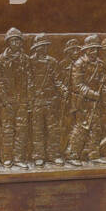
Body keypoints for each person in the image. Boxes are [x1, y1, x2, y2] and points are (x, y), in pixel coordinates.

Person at [0, 27, 31, 167]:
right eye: (13, 41)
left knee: (22, 130)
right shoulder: (0, 60)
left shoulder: (25, 59)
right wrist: (5, 100)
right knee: (7, 130)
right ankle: (7, 157)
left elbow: (30, 81)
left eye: (18, 41)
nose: (16, 43)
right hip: (7, 102)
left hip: (22, 101)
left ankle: (19, 158)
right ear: (8, 42)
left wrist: (27, 99)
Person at [27, 34, 68, 166]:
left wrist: (63, 89)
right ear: (36, 48)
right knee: (38, 130)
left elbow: (57, 80)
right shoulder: (30, 62)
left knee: (53, 129)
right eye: (41, 46)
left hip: (51, 101)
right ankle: (38, 155)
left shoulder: (53, 62)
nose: (43, 49)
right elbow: (27, 81)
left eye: (45, 46)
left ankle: (54, 154)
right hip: (37, 101)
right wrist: (31, 95)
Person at [65, 34, 104, 165]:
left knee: (96, 128)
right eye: (92, 49)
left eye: (96, 49)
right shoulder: (79, 64)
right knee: (81, 128)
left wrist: (104, 98)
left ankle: (93, 155)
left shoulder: (100, 64)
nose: (95, 52)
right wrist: (93, 94)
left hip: (96, 102)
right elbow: (77, 85)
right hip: (82, 103)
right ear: (86, 49)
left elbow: (102, 85)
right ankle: (72, 155)